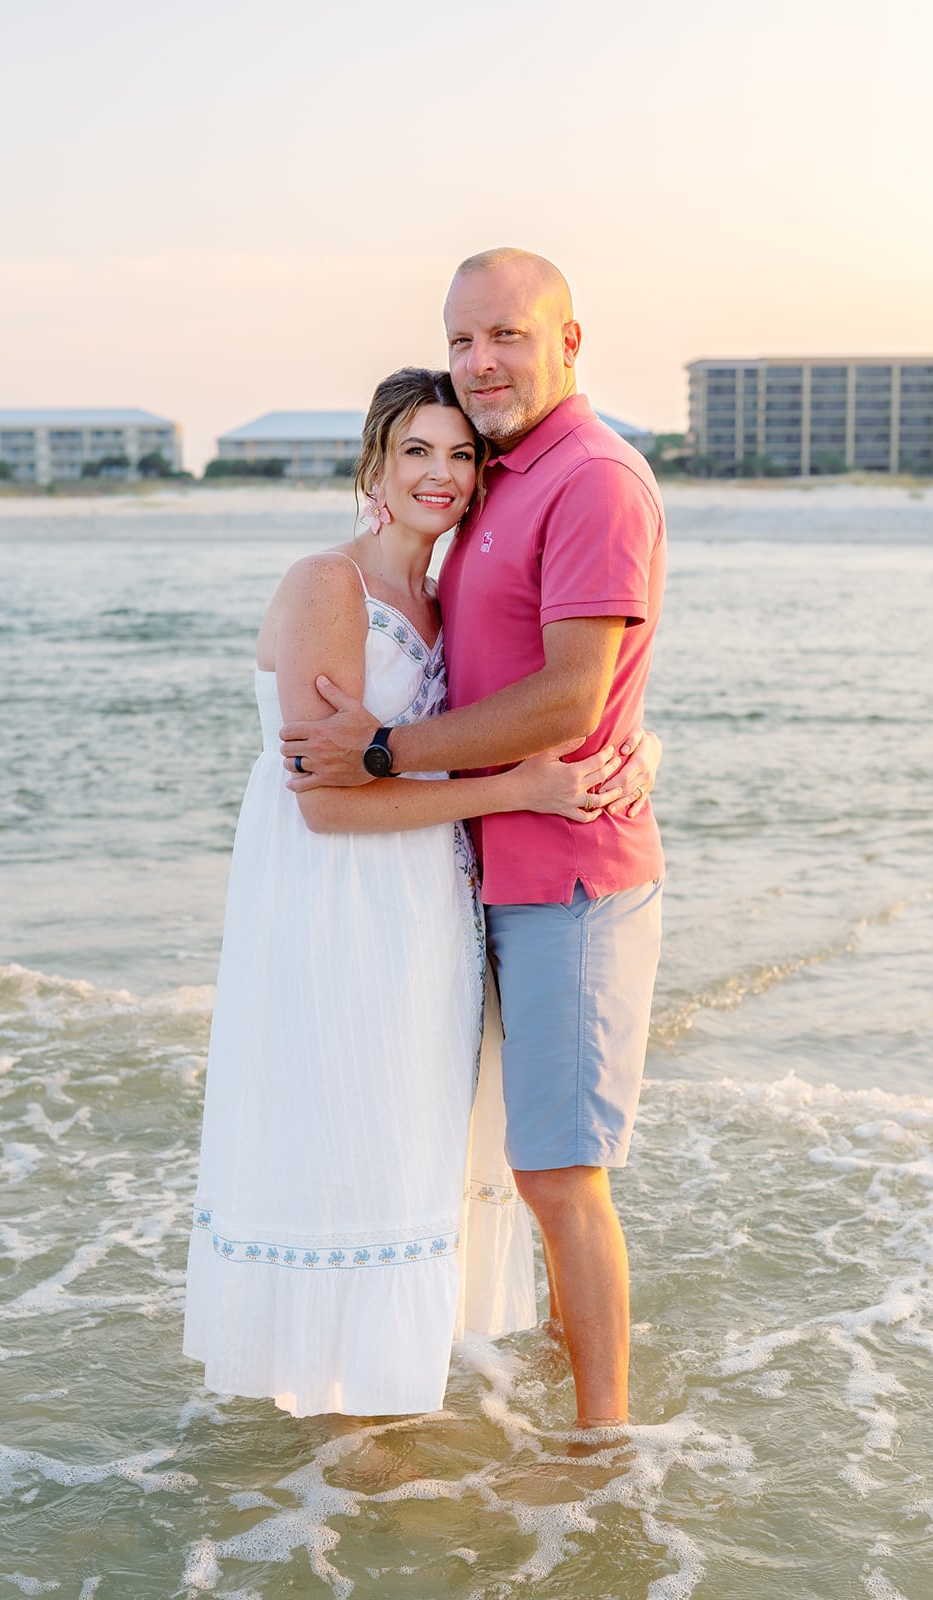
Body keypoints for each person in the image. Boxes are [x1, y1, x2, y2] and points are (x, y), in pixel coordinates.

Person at [183, 367, 653, 1419]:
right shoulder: (327, 585)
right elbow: (325, 807)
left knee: (404, 1147)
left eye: (459, 454)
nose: (440, 474)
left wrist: (638, 748)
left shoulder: (441, 601)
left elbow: (541, 700)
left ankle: (383, 1406)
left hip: (423, 909)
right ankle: (342, 1422)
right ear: (375, 466)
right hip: (336, 907)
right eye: (415, 452)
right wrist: (520, 788)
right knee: (347, 1137)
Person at [281, 249, 667, 1430]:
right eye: (461, 339)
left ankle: (602, 1443)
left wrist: (384, 750)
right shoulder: (498, 476)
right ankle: (552, 1379)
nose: (479, 361)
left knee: (558, 1170)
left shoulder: (591, 477)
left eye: (505, 334)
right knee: (514, 1162)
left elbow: (570, 693)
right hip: (483, 871)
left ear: (568, 341)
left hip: (569, 878)